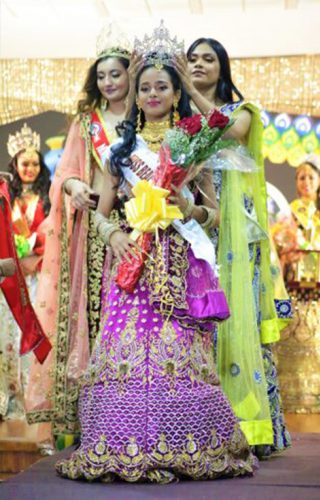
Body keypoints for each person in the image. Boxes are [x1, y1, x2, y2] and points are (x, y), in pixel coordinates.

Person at [56, 23, 257, 483]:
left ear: (174, 91)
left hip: (180, 261)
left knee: (178, 349)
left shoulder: (192, 144)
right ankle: (123, 442)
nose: (151, 93)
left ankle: (184, 442)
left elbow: (212, 215)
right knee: (127, 349)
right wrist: (113, 236)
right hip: (131, 260)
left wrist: (190, 207)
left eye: (161, 86)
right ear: (135, 90)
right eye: (144, 86)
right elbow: (101, 212)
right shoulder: (120, 151)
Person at [173, 38, 292, 457]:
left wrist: (189, 91)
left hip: (236, 239)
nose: (200, 65)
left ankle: (253, 430)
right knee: (199, 322)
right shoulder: (178, 118)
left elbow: (231, 133)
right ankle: (204, 429)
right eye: (192, 59)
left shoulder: (242, 111)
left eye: (208, 59)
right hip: (194, 226)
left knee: (236, 320)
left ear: (222, 68)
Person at [25, 33, 131, 448]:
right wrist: (74, 188)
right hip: (95, 228)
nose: (108, 82)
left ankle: (130, 408)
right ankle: (91, 416)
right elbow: (65, 172)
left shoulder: (144, 118)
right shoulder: (87, 123)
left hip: (138, 225)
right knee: (95, 312)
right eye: (101, 76)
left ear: (129, 75)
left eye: (115, 74)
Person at [274, 155, 320, 413]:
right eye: (301, 177)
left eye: (311, 177)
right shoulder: (288, 213)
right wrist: (289, 252)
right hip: (296, 288)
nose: (306, 182)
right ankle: (292, 398)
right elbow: (279, 251)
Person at [0, 125, 51, 419]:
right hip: (11, 277)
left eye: (34, 163)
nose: (29, 169)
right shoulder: (7, 196)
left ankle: (35, 400)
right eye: (24, 163)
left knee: (34, 333)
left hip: (37, 276)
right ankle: (10, 398)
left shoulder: (47, 197)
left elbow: (55, 231)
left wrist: (35, 244)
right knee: (8, 333)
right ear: (15, 165)